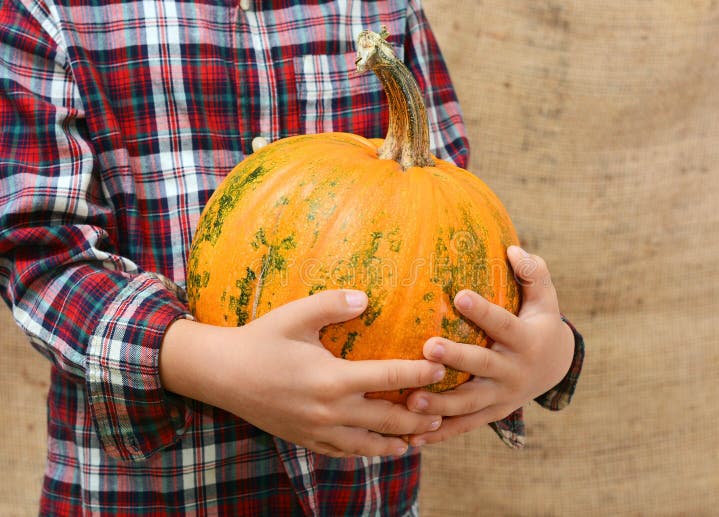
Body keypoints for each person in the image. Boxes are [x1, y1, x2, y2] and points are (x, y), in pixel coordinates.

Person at [0, 1, 585, 515]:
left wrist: (546, 353)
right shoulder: (48, 11)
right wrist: (208, 363)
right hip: (150, 496)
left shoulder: (382, 7)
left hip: (363, 497)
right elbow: (41, 258)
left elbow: (454, 235)